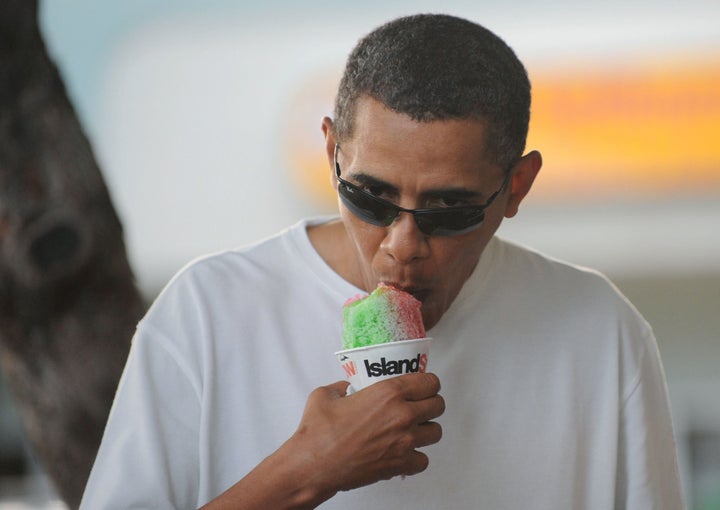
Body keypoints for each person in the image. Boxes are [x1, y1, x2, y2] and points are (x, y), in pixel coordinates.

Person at [80, 13, 685, 509]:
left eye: (449, 210)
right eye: (369, 197)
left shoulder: (600, 331)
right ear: (331, 152)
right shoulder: (207, 313)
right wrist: (306, 470)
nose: (401, 243)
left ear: (518, 187)